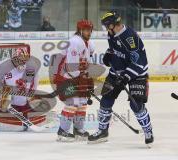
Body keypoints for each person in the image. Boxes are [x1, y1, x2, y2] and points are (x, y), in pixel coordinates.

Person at [88, 11, 154, 147]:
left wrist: (125, 77)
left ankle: (148, 131)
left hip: (137, 74)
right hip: (116, 72)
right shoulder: (111, 33)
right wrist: (109, 54)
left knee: (136, 105)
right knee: (106, 100)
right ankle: (102, 131)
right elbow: (115, 48)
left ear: (112, 24)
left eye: (107, 26)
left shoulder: (130, 38)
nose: (105, 29)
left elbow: (138, 62)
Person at [54, 19, 95, 142]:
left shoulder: (89, 44)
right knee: (72, 103)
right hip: (66, 77)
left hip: (78, 77)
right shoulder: (74, 42)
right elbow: (71, 68)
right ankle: (63, 131)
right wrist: (83, 77)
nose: (89, 32)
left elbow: (88, 62)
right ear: (80, 30)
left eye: (90, 30)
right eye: (87, 30)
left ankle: (78, 130)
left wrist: (88, 78)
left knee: (82, 103)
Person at [0, 44, 45, 131]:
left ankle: (23, 111)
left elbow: (34, 82)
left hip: (22, 95)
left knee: (30, 101)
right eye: (20, 60)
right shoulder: (4, 66)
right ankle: (4, 110)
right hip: (7, 93)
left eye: (24, 61)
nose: (22, 63)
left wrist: (30, 93)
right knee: (5, 100)